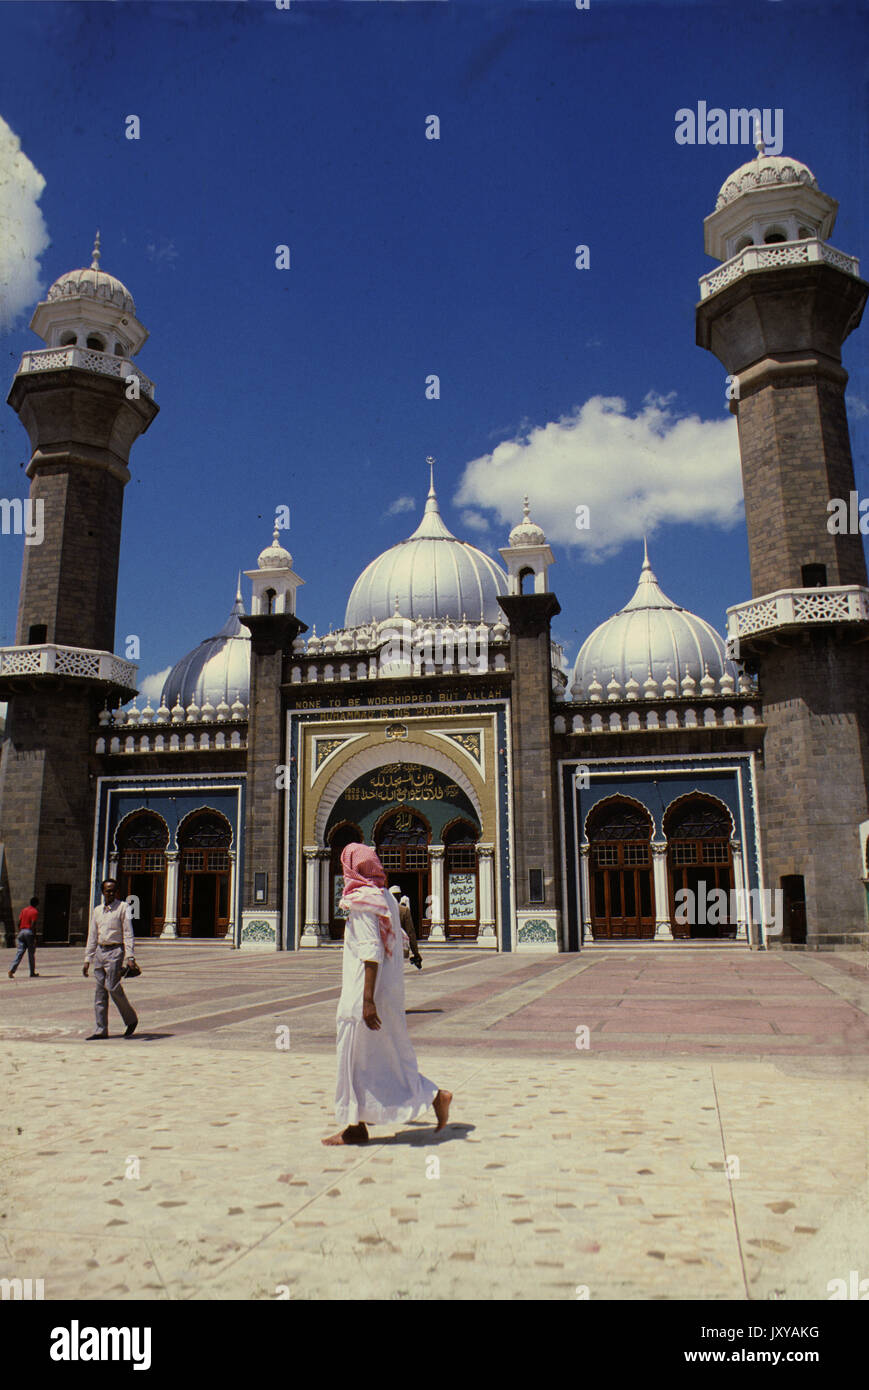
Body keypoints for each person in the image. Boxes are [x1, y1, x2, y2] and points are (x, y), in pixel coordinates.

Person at [323, 843, 451, 1145]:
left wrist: (367, 1001)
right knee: (380, 1058)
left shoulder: (363, 901)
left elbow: (371, 952)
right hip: (388, 993)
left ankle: (359, 1125)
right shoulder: (385, 899)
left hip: (366, 995)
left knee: (356, 1058)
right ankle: (431, 1097)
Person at [82, 879, 138, 1040]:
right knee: (100, 992)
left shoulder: (123, 908)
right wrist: (88, 959)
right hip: (101, 950)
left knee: (112, 986)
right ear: (102, 892)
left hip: (115, 950)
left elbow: (128, 933)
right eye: (108, 890)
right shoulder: (97, 911)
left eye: (113, 890)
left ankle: (131, 1019)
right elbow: (92, 935)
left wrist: (130, 956)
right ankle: (101, 1029)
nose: (111, 893)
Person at [388, 884, 422, 969]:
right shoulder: (404, 910)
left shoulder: (383, 909)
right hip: (399, 947)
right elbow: (410, 932)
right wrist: (416, 953)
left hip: (386, 947)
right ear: (399, 896)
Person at [8, 896, 40, 978]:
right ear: (36, 904)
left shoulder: (24, 910)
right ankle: (32, 972)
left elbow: (19, 922)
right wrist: (34, 937)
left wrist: (20, 931)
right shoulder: (35, 912)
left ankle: (11, 970)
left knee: (19, 952)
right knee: (31, 954)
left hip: (22, 932)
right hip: (29, 932)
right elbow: (33, 925)